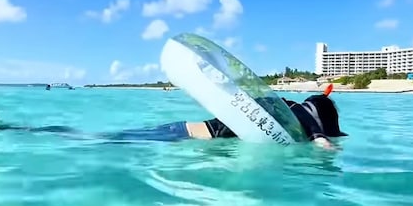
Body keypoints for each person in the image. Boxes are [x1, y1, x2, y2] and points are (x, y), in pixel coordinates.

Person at [106, 86, 347, 149]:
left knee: (114, 138)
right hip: (184, 135)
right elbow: (302, 116)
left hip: (184, 132)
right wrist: (319, 138)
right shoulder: (295, 110)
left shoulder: (284, 111)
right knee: (111, 139)